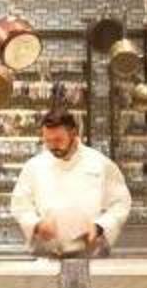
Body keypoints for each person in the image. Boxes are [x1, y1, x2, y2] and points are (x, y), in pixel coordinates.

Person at [9, 104, 132, 256]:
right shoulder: (34, 166)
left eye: (58, 140)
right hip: (46, 254)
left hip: (90, 253)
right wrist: (37, 224)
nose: (52, 146)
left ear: (73, 133)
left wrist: (99, 227)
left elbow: (121, 203)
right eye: (48, 140)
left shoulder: (99, 163)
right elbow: (20, 205)